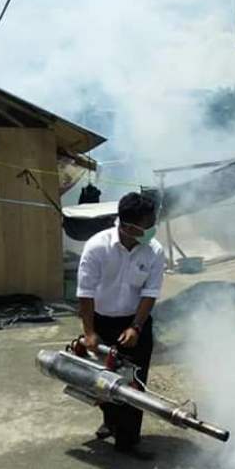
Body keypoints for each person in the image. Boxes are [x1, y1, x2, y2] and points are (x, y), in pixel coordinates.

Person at [76, 191, 165, 455]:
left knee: (135, 382)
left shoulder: (154, 251)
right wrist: (90, 332)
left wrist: (136, 327)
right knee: (103, 380)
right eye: (147, 224)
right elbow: (85, 292)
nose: (152, 229)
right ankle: (110, 421)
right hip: (102, 323)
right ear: (128, 225)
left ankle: (128, 441)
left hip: (135, 324)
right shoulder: (97, 247)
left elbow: (151, 292)